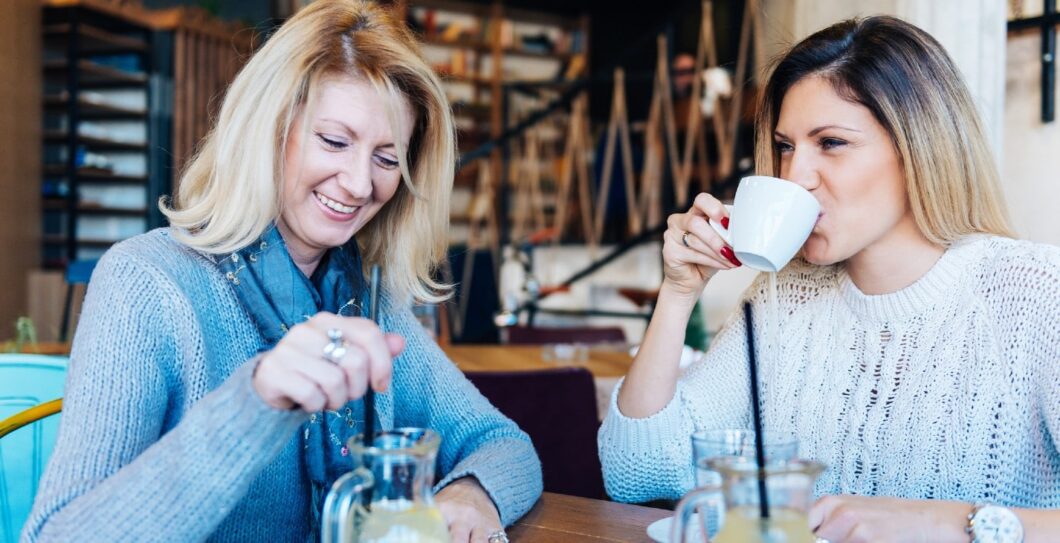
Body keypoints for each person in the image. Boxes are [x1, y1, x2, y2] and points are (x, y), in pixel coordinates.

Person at [24, 2, 541, 542]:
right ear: (268, 129)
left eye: (387, 159)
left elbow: (504, 443)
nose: (360, 184)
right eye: (335, 142)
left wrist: (470, 493)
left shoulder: (366, 298)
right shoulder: (145, 282)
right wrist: (258, 401)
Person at [598, 15, 1060, 542]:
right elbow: (635, 473)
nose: (795, 176)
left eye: (832, 143)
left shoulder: (1033, 292)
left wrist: (955, 523)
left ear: (919, 150)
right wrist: (678, 293)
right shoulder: (782, 297)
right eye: (787, 146)